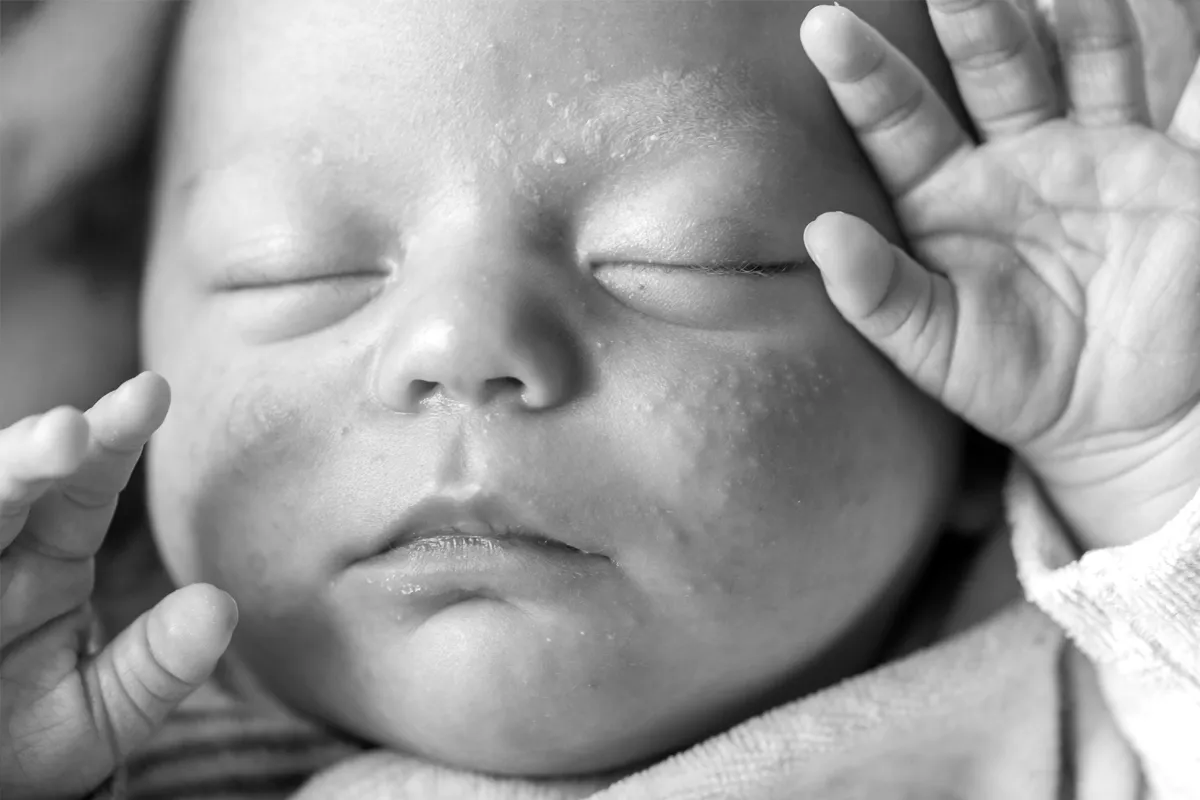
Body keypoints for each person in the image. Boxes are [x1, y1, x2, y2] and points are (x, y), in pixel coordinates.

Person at [2, 0, 1199, 797]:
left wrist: (1146, 459)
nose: (459, 342)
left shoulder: (1091, 680)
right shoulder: (83, 716)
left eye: (685, 257)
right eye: (291, 269)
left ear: (975, 434)